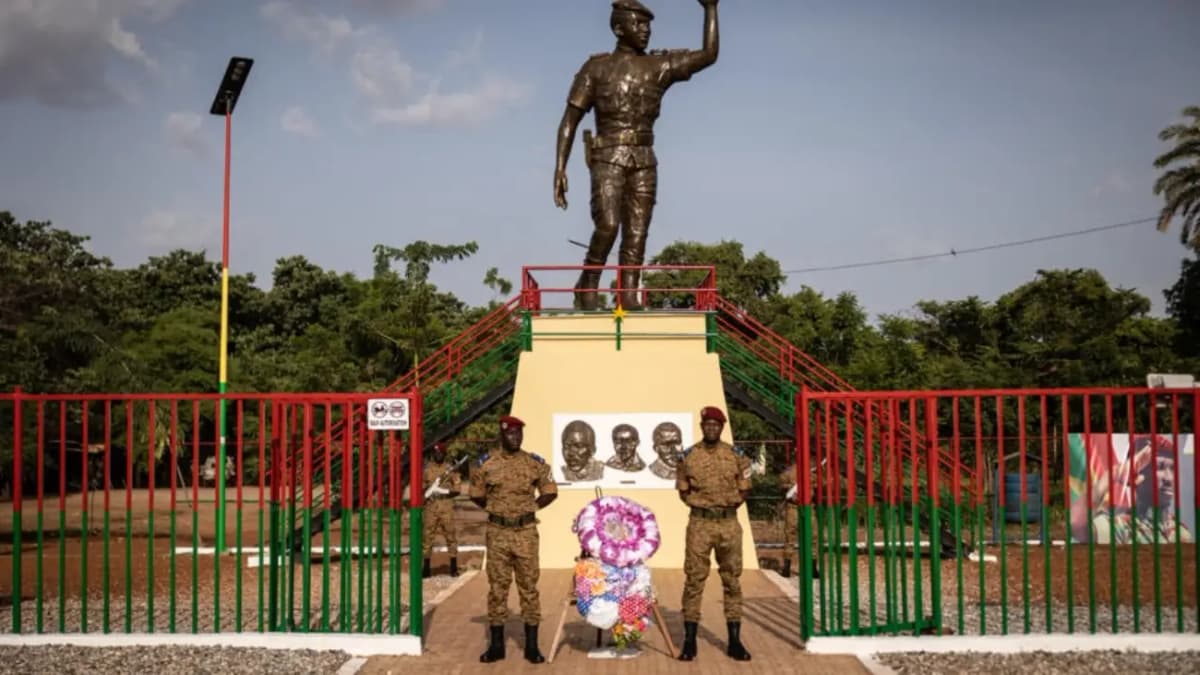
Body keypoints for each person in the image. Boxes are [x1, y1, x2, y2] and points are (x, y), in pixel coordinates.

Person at [554, 0, 721, 310]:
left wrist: (710, 8)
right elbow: (570, 120)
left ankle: (628, 293)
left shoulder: (658, 66)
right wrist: (559, 168)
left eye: (648, 26)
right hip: (607, 155)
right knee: (608, 224)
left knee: (637, 228)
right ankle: (587, 284)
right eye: (638, 25)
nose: (646, 31)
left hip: (644, 157)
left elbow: (709, 55)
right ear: (619, 28)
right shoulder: (596, 68)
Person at [469, 415, 559, 664]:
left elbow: (551, 491)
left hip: (525, 534)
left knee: (529, 589)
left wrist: (532, 508)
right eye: (511, 434)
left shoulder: (533, 463)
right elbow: (475, 494)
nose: (515, 438)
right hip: (497, 534)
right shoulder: (487, 464)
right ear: (501, 435)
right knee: (497, 589)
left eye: (519, 434)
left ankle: (532, 646)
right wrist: (495, 508)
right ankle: (497, 646)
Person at [674, 405, 752, 661]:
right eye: (707, 425)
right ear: (702, 427)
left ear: (721, 427)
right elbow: (683, 490)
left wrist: (727, 505)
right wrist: (703, 506)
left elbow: (745, 489)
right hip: (700, 524)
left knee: (732, 581)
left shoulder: (737, 456)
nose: (711, 428)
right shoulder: (687, 457)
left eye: (715, 425)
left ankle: (734, 641)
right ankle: (689, 641)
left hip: (729, 524)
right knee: (694, 580)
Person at [422, 442, 462, 578]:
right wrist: (429, 491)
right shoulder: (427, 469)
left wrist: (443, 490)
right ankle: (426, 568)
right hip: (430, 507)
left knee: (450, 536)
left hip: (446, 506)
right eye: (436, 453)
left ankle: (453, 567)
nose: (438, 455)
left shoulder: (450, 469)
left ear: (444, 454)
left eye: (440, 453)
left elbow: (457, 490)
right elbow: (421, 488)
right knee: (427, 537)